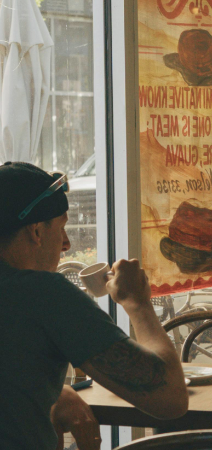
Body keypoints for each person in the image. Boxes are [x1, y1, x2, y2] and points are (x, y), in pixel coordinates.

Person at [0, 162, 188, 449]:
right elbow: (170, 399)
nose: (66, 243)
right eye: (61, 227)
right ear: (36, 231)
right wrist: (138, 303)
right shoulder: (43, 295)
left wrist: (54, 392)